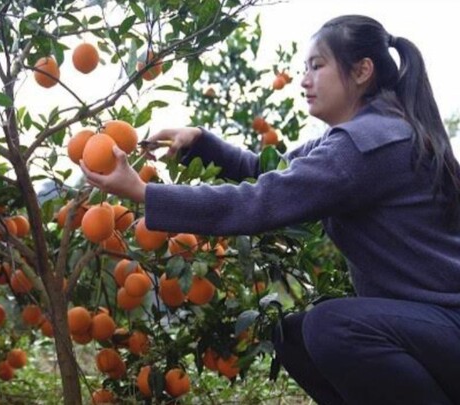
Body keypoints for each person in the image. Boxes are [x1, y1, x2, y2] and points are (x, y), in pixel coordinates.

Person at [81, 15, 460, 405]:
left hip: (448, 324)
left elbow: (260, 201)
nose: (304, 80)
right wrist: (199, 142)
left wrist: (145, 193)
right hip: (431, 327)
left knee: (333, 328)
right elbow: (272, 172)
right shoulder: (364, 134)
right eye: (303, 68)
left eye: (317, 66)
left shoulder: (366, 146)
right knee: (293, 336)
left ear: (363, 70)